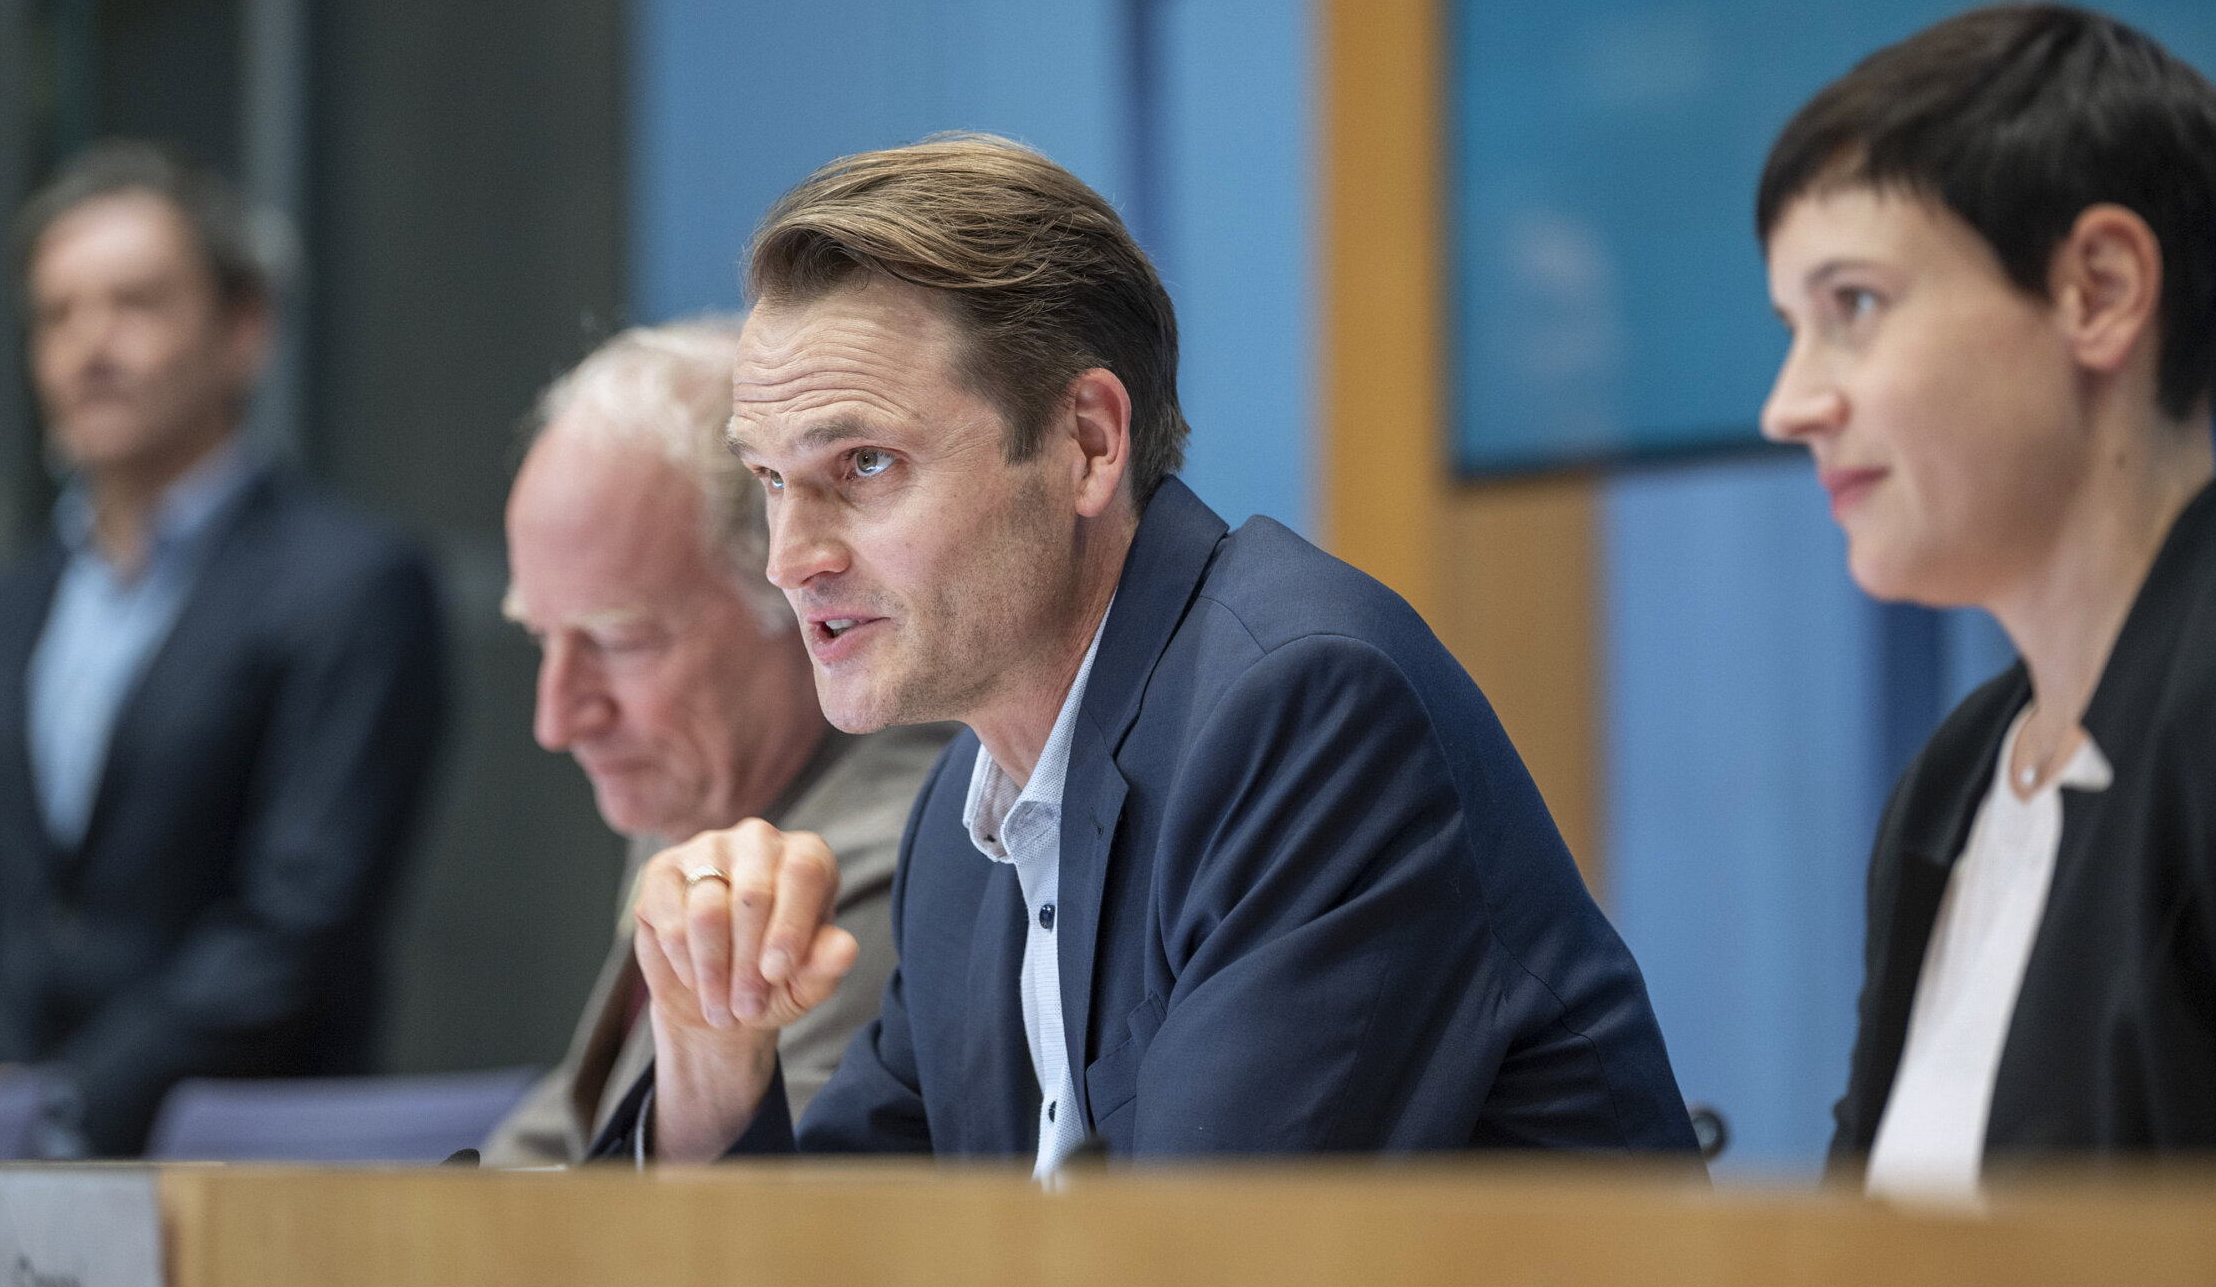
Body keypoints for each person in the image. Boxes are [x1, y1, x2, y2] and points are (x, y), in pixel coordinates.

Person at [595, 134, 1696, 1168]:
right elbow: (827, 1281)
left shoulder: (1301, 714)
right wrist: (710, 1051)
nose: (792, 559)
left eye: (866, 466)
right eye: (771, 481)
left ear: (1087, 443)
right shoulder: (961, 824)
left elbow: (1202, 1283)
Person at [1756, 3, 2216, 1198]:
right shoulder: (1953, 775)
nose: (1789, 404)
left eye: (1852, 307)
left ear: (2097, 291)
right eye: (1791, 327)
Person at [0, 141, 450, 1155]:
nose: (91, 345)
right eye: (57, 314)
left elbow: (303, 917)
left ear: (244, 329)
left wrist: (73, 1106)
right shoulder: (2, 606)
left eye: (136, 302)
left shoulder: (351, 584)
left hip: (242, 1167)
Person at [482, 319, 951, 1165]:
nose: (558, 720)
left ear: (798, 602)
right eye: (539, 640)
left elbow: (734, 1240)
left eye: (618, 643)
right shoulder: (703, 794)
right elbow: (576, 1130)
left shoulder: (887, 854)